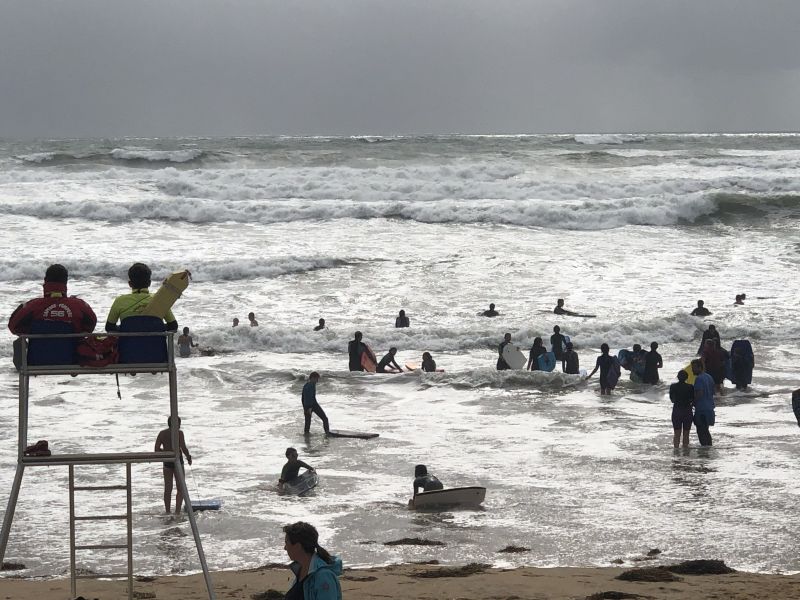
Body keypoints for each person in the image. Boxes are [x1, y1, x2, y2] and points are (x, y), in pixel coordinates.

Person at [8, 263, 97, 336]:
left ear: (45, 281)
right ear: (65, 282)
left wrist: (32, 331)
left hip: (38, 356)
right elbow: (91, 325)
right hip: (72, 356)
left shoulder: (33, 306)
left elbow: (14, 327)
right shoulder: (79, 306)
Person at [106, 263, 177, 332]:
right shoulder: (160, 300)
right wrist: (155, 327)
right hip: (155, 343)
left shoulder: (120, 301)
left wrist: (126, 329)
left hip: (128, 344)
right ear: (149, 283)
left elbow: (109, 327)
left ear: (130, 284)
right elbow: (173, 326)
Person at [284, 522, 343, 600]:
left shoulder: (323, 576)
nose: (285, 548)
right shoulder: (301, 570)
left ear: (298, 546)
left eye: (286, 543)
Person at [154, 417, 192, 514]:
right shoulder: (179, 433)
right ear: (177, 424)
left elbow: (156, 449)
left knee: (168, 488)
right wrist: (188, 457)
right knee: (180, 488)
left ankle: (167, 512)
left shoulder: (162, 433)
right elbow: (183, 447)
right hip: (177, 460)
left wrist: (166, 452)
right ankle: (177, 512)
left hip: (167, 460)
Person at [691, 359, 715, 446]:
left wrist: (693, 402)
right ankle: (708, 449)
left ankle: (704, 451)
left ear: (700, 367)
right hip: (710, 408)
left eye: (694, 368)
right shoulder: (709, 377)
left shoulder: (699, 379)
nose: (692, 370)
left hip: (702, 409)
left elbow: (699, 393)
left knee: (701, 431)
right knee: (706, 431)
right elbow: (713, 391)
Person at [670, 370, 694, 448]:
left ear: (678, 377)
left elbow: (672, 400)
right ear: (687, 378)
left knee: (677, 433)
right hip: (687, 411)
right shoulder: (690, 387)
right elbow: (692, 399)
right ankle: (685, 452)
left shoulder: (673, 386)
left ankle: (676, 452)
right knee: (686, 434)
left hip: (677, 410)